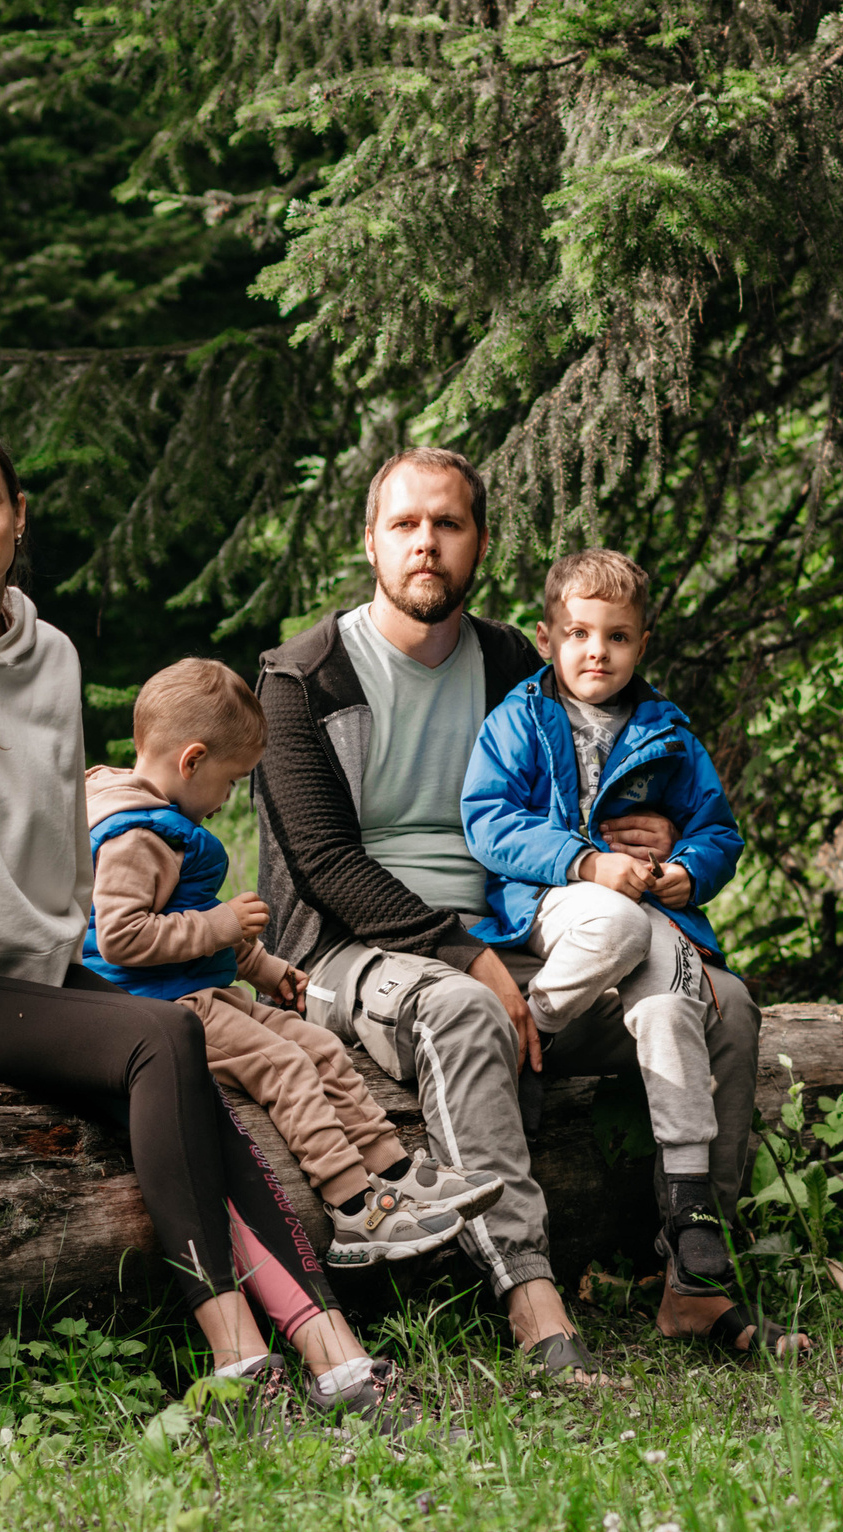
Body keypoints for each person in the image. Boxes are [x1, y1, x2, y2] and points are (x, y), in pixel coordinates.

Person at [0, 415, 405, 1424]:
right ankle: (241, 1355)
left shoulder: (53, 658)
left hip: (31, 976)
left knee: (175, 1055)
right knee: (164, 1036)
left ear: (18, 517)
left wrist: (74, 967)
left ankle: (328, 1346)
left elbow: (62, 854)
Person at [254, 447, 767, 1382]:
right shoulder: (305, 679)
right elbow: (323, 863)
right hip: (351, 950)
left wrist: (646, 835)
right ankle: (533, 1301)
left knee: (719, 1001)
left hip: (520, 930)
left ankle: (696, 1266)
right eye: (405, 524)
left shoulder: (510, 660)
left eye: (447, 525)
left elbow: (582, 774)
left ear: (479, 544)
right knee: (463, 1007)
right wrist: (464, 957)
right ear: (369, 540)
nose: (426, 544)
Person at [461, 550, 802, 1355]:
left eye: (616, 636)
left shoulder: (667, 731)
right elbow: (488, 820)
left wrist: (686, 870)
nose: (595, 651)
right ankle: (532, 1034)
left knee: (712, 1003)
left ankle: (696, 1269)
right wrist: (586, 861)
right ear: (547, 637)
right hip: (549, 926)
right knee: (621, 922)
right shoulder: (518, 719)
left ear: (642, 643)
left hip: (648, 918)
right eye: (577, 633)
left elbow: (719, 829)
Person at [82, 659, 504, 1265]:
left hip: (202, 993)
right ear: (192, 760)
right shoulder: (137, 836)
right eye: (231, 782)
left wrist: (265, 968)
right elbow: (123, 938)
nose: (228, 801)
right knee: (285, 1067)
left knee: (321, 1047)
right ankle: (355, 1210)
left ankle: (399, 1170)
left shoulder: (167, 824)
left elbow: (194, 924)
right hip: (159, 1013)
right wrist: (221, 924)